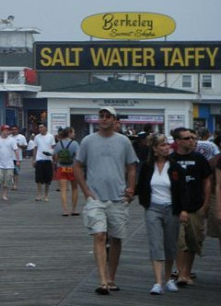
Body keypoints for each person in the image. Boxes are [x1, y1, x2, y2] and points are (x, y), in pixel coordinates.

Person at [74, 106, 138, 295]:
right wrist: (85, 191)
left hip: (118, 197)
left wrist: (131, 189)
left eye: (107, 116)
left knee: (116, 238)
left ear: (115, 120)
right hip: (96, 197)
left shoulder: (124, 141)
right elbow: (77, 166)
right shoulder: (88, 140)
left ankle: (111, 277)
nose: (103, 119)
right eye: (101, 116)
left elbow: (132, 167)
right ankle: (102, 280)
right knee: (100, 235)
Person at [136, 133, 189, 295]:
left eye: (167, 144)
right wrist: (132, 194)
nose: (167, 147)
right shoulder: (147, 167)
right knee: (155, 243)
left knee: (170, 245)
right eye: (163, 145)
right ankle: (158, 282)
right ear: (154, 149)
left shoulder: (175, 167)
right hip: (153, 208)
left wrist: (184, 209)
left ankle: (168, 279)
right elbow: (141, 186)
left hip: (171, 208)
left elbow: (182, 190)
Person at [170, 127, 212, 286]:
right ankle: (181, 273)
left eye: (193, 138)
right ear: (178, 141)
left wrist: (206, 204)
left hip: (196, 205)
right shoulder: (171, 159)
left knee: (193, 240)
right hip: (177, 207)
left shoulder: (199, 159)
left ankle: (187, 271)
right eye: (187, 138)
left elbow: (207, 180)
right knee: (180, 241)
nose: (192, 141)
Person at [53, 127, 80, 216]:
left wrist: (55, 165)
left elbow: (55, 156)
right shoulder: (75, 143)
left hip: (62, 168)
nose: (74, 134)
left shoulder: (59, 144)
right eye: (73, 132)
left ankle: (65, 210)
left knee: (63, 190)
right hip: (72, 168)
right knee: (75, 188)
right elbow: (78, 156)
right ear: (69, 133)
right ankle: (74, 209)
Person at [33, 122, 55, 202]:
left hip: (48, 159)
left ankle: (46, 195)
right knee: (38, 178)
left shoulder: (50, 136)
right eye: (39, 128)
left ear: (46, 128)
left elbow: (53, 147)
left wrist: (52, 157)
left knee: (47, 179)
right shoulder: (37, 137)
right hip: (39, 159)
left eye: (42, 127)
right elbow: (35, 148)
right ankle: (39, 195)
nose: (40, 129)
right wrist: (34, 159)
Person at [10, 126, 27, 191]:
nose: (14, 131)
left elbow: (25, 146)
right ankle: (12, 183)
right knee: (10, 172)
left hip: (18, 157)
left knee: (16, 172)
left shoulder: (21, 137)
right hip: (9, 157)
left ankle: (15, 185)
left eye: (15, 129)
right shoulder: (9, 137)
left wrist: (19, 145)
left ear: (18, 130)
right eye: (12, 129)